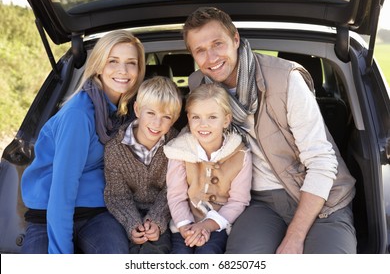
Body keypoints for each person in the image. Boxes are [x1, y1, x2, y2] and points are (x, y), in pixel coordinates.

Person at [182, 7, 357, 254]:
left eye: (217, 44)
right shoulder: (199, 85)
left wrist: (294, 237)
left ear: (235, 39)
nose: (211, 57)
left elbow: (321, 161)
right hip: (259, 202)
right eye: (200, 50)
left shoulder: (285, 78)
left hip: (322, 197)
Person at [20, 30, 146, 254]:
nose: (123, 71)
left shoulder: (123, 113)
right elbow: (62, 190)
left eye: (131, 63)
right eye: (113, 61)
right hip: (50, 213)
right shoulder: (78, 114)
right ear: (98, 65)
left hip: (96, 212)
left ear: (139, 69)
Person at [163, 83, 252, 254]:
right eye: (196, 117)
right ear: (188, 118)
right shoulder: (179, 151)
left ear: (226, 120)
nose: (203, 124)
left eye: (212, 117)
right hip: (184, 223)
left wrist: (207, 226)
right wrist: (186, 227)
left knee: (208, 254)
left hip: (218, 224)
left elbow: (238, 201)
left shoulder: (240, 155)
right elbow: (176, 196)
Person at [104, 76, 182, 254]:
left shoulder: (178, 145)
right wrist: (132, 224)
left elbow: (174, 189)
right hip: (125, 213)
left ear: (175, 118)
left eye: (166, 117)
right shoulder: (115, 148)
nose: (157, 123)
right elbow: (117, 195)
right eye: (151, 113)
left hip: (163, 212)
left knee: (157, 249)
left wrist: (156, 219)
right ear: (137, 109)